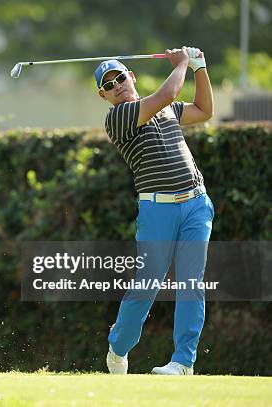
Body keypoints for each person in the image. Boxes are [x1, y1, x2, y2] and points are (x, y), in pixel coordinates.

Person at [94, 47, 215, 375]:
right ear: (103, 95)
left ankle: (183, 362)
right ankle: (118, 348)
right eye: (109, 84)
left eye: (120, 77)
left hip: (195, 204)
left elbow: (204, 110)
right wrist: (183, 63)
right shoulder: (117, 118)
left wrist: (200, 68)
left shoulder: (168, 109)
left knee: (192, 282)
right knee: (148, 282)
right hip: (156, 209)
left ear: (131, 77)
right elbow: (168, 92)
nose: (117, 84)